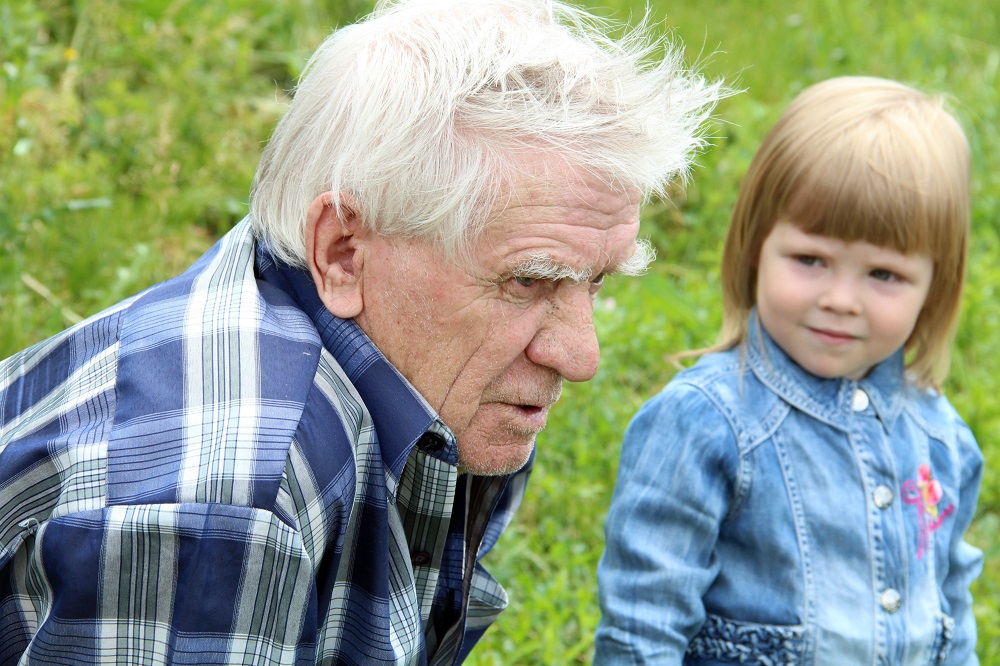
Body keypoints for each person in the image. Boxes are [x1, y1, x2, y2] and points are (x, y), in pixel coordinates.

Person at [0, 0, 720, 664]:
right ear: (341, 251)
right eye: (526, 281)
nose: (580, 354)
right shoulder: (226, 510)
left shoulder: (402, 357)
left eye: (595, 281)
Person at [594, 76, 983, 665]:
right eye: (810, 260)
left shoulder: (942, 438)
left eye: (883, 275)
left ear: (935, 287)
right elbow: (643, 626)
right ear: (755, 250)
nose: (841, 299)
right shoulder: (705, 422)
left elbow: (951, 614)